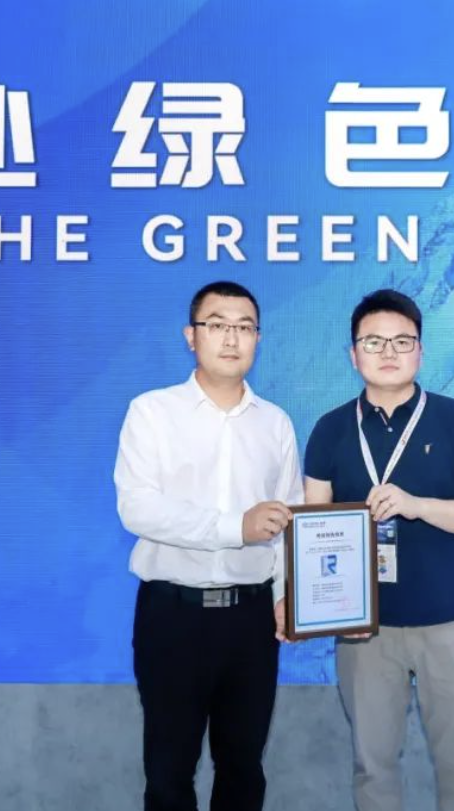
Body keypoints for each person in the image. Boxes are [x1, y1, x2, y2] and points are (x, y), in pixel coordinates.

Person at [303, 289, 454, 811]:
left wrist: (417, 505)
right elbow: (313, 527)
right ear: (353, 354)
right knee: (373, 771)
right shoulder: (329, 430)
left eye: (402, 341)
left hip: (450, 625)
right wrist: (321, 606)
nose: (388, 351)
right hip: (364, 631)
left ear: (420, 350)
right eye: (373, 341)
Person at [114, 280, 303, 811]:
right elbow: (138, 509)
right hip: (173, 616)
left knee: (243, 768)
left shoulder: (275, 423)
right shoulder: (152, 412)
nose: (231, 338)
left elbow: (290, 520)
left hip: (251, 620)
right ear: (190, 335)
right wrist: (235, 527)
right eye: (217, 325)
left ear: (258, 338)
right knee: (169, 772)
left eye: (244, 327)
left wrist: (287, 596)